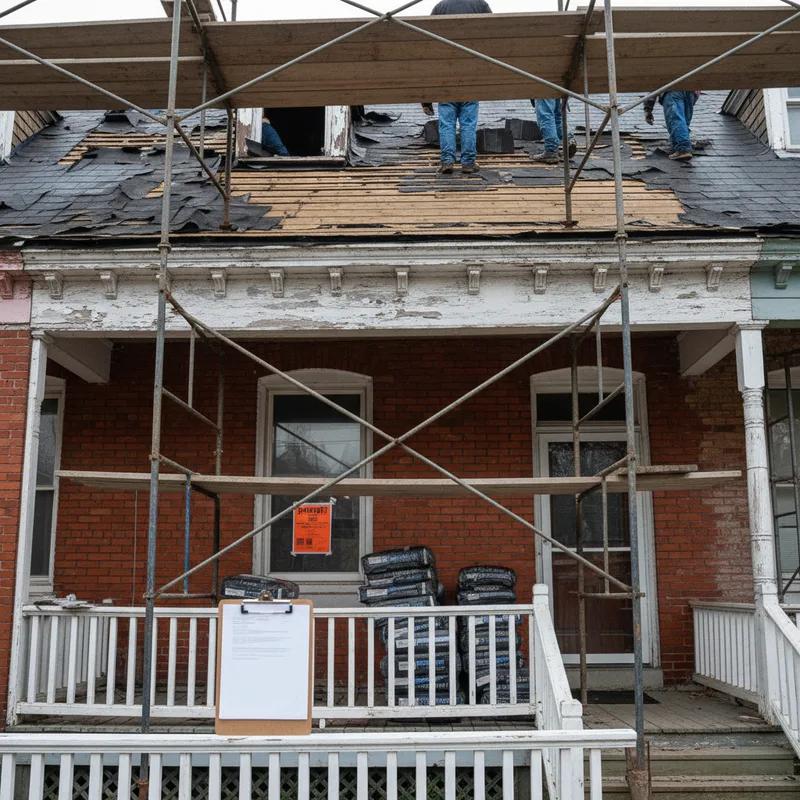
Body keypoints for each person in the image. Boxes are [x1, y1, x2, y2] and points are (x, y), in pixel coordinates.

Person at [421, 0, 492, 174]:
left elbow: (428, 43)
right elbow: (493, 33)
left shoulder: (440, 8)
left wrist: (426, 97)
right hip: (470, 75)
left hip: (446, 75)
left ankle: (447, 161)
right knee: (468, 123)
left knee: (447, 123)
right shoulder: (480, 5)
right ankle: (468, 162)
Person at [644, 91, 700, 161]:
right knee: (684, 122)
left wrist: (648, 109)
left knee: (675, 120)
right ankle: (677, 147)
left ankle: (683, 149)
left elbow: (654, 87)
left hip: (673, 91)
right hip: (691, 92)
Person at [530, 98, 576, 164]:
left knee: (545, 116)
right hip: (558, 89)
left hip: (545, 88)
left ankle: (551, 151)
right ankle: (569, 139)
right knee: (556, 116)